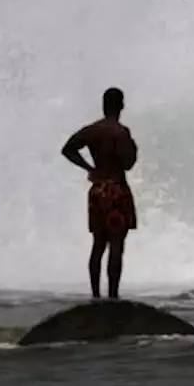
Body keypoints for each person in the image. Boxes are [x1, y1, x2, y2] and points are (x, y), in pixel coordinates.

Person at [60, 87, 139, 300]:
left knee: (98, 244)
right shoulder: (120, 132)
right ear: (121, 105)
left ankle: (95, 295)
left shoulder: (92, 130)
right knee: (116, 245)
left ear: (104, 106)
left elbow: (67, 149)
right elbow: (128, 163)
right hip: (116, 188)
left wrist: (89, 168)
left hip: (97, 190)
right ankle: (113, 295)